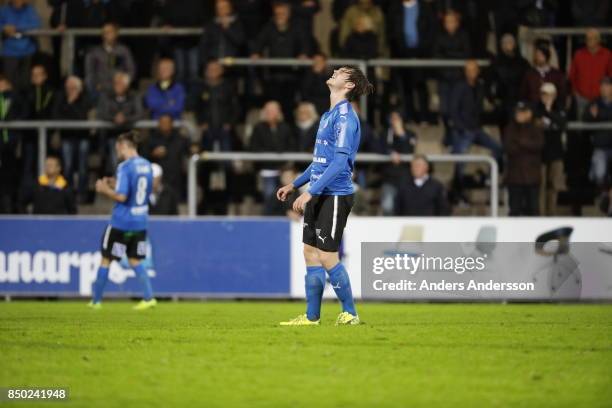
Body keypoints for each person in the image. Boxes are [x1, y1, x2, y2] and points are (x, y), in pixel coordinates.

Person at [276, 66, 373, 326]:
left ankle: (350, 313)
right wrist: (296, 185)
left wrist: (311, 193)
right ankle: (311, 317)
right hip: (319, 191)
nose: (335, 71)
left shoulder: (345, 118)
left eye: (341, 71)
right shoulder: (329, 115)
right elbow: (320, 161)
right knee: (310, 251)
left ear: (349, 85)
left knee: (328, 255)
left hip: (335, 194)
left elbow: (340, 164)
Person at [89, 131, 156, 310]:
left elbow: (122, 196)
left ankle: (96, 301)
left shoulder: (125, 167)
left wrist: (104, 189)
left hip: (121, 222)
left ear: (123, 146)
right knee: (135, 259)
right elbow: (143, 191)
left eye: (118, 147)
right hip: (140, 221)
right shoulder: (148, 165)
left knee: (106, 258)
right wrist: (115, 182)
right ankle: (149, 298)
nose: (117, 150)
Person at [450, 60, 503, 196]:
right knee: (460, 160)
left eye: (473, 70)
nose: (470, 73)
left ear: (478, 71)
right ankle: (457, 191)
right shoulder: (459, 87)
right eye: (468, 70)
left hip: (476, 129)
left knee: (498, 148)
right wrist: (462, 128)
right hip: (462, 130)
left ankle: (488, 178)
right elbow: (453, 110)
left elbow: (481, 108)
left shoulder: (480, 86)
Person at [387, 0, 436, 124]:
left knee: (421, 86)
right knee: (406, 86)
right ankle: (409, 116)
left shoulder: (425, 7)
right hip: (402, 52)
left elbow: (431, 30)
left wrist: (424, 48)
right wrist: (400, 48)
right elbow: (392, 30)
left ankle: (424, 116)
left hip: (421, 53)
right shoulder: (395, 8)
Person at [250, 100, 296, 215]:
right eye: (268, 111)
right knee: (270, 197)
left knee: (287, 195)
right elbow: (253, 147)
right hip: (267, 170)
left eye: (274, 111)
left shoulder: (285, 127)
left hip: (283, 170)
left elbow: (291, 145)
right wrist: (271, 153)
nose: (271, 113)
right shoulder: (258, 128)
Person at [52, 75, 92, 200]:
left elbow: (82, 117)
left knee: (82, 167)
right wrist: (69, 103)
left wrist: (72, 104)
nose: (70, 90)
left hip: (82, 137)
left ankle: (81, 194)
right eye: (68, 88)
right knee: (67, 166)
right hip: (66, 136)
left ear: (79, 89)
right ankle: (67, 194)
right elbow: (56, 116)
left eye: (73, 88)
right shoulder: (61, 98)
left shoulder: (85, 99)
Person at [433, 10, 472, 136]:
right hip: (444, 78)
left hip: (459, 78)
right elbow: (436, 55)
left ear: (457, 23)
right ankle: (448, 132)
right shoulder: (439, 36)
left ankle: (456, 135)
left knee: (455, 109)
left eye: (452, 21)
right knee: (444, 110)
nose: (449, 24)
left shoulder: (464, 36)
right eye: (447, 22)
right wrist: (454, 56)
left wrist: (448, 55)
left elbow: (466, 54)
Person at [97, 71, 144, 173]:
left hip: (128, 134)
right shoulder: (106, 96)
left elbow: (139, 113)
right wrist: (114, 118)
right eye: (116, 83)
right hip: (111, 134)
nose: (117, 85)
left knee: (131, 163)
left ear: (127, 85)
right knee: (115, 163)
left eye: (120, 83)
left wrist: (125, 118)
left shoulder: (134, 96)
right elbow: (101, 113)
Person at [503, 102, 545, 216]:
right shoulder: (510, 128)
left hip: (532, 177)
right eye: (517, 112)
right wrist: (527, 144)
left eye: (522, 112)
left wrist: (521, 142)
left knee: (533, 209)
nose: (519, 115)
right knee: (514, 210)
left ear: (529, 114)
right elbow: (509, 147)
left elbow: (538, 145)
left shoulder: (536, 128)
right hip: (514, 177)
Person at [534, 82, 566, 216]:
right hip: (540, 152)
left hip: (556, 152)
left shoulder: (559, 108)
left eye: (549, 94)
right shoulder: (535, 109)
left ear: (555, 95)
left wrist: (548, 112)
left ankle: (551, 213)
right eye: (544, 94)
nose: (546, 97)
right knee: (540, 185)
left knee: (554, 185)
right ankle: (541, 214)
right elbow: (536, 124)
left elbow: (562, 123)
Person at [486, 33, 530, 132]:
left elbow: (528, 81)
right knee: (505, 131)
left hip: (519, 101)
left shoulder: (523, 63)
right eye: (505, 43)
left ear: (514, 44)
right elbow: (488, 82)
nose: (507, 45)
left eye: (510, 42)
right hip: (503, 103)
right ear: (501, 45)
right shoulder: (496, 63)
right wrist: (492, 99)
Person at [569, 29, 612, 119]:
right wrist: (575, 92)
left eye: (592, 38)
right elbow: (572, 75)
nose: (589, 41)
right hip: (581, 97)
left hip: (602, 98)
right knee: (581, 125)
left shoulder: (607, 55)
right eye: (587, 39)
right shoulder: (578, 54)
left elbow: (610, 75)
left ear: (598, 40)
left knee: (602, 123)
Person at [84, 22, 136, 98]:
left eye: (110, 32)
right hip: (100, 89)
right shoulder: (94, 52)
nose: (107, 34)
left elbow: (131, 70)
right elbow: (89, 72)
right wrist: (95, 85)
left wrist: (124, 82)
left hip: (119, 89)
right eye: (105, 32)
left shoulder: (123, 51)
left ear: (116, 33)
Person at [380, 111, 416, 215]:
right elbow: (378, 146)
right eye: (392, 118)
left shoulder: (410, 134)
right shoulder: (385, 133)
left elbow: (409, 151)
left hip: (406, 178)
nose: (394, 121)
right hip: (389, 178)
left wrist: (401, 135)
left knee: (406, 207)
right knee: (388, 207)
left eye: (397, 118)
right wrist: (389, 152)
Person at [0, 74, 26, 213]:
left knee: (9, 175)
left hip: (11, 143)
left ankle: (10, 206)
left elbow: (23, 112)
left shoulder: (14, 97)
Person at [0, 0, 41, 88]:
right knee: (10, 85)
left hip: (27, 52)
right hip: (10, 53)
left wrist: (16, 28)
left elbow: (36, 24)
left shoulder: (29, 10)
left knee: (26, 84)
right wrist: (4, 28)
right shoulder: (4, 10)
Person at [520, 39, 567, 109]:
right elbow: (523, 94)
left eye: (541, 55)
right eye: (537, 55)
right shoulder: (529, 74)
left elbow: (562, 94)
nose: (538, 57)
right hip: (533, 110)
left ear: (547, 56)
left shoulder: (557, 75)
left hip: (552, 111)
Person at [146, 115, 190, 191]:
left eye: (167, 122)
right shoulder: (151, 139)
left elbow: (187, 153)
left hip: (177, 178)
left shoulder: (180, 139)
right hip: (159, 179)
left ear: (171, 123)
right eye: (162, 122)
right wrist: (153, 154)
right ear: (159, 123)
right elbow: (144, 156)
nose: (164, 124)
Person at [585, 77, 612, 189]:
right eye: (602, 85)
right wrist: (594, 116)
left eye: (606, 85)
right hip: (600, 146)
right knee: (599, 176)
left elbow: (599, 115)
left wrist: (599, 115)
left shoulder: (597, 107)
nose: (603, 88)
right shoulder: (594, 102)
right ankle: (603, 199)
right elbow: (586, 117)